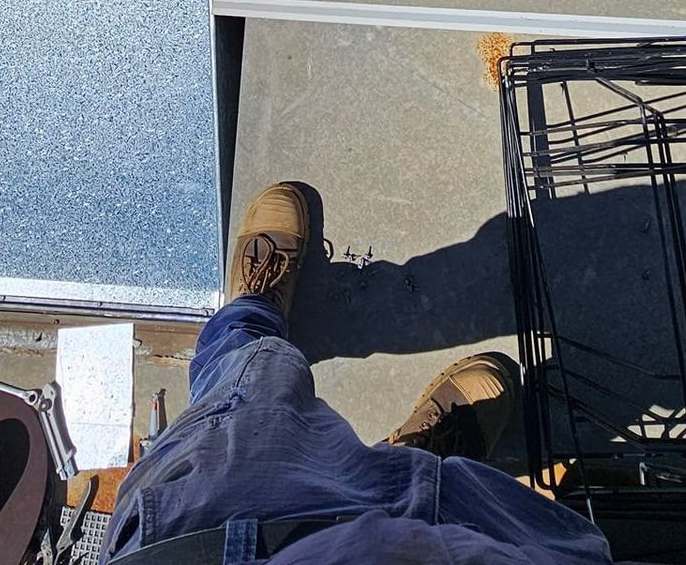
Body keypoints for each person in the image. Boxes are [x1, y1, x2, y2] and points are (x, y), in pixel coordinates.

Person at [100, 182, 614, 564]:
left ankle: (252, 314)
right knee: (452, 520)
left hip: (193, 540)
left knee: (256, 392)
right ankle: (406, 466)